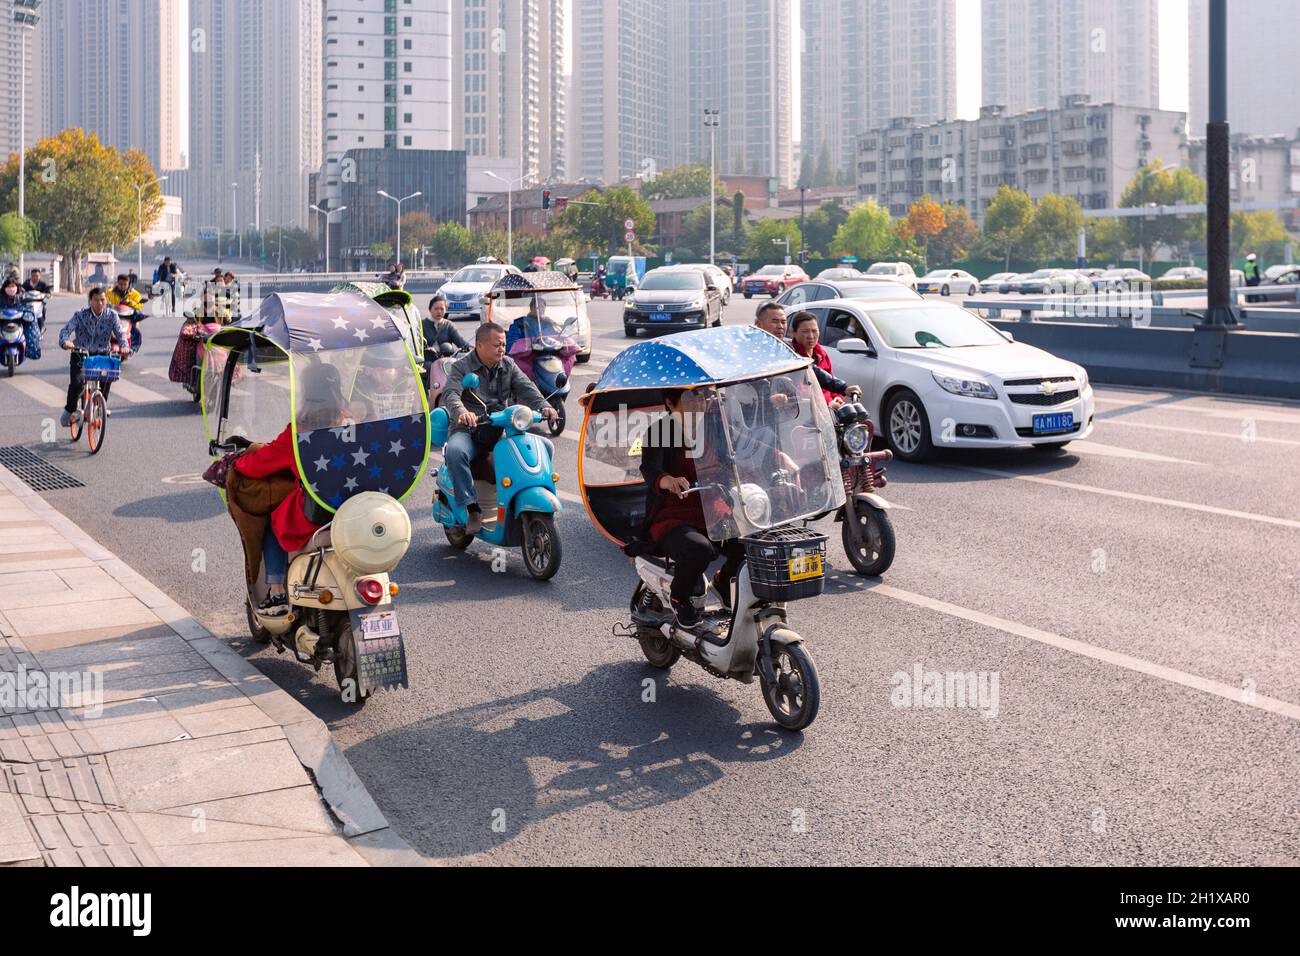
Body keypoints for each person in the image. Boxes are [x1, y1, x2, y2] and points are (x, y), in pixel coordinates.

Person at [231, 363, 351, 616]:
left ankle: (276, 591)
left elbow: (257, 466)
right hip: (355, 508)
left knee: (275, 522)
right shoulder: (353, 422)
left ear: (306, 393)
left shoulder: (299, 432)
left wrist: (237, 461)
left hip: (318, 511)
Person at [639, 387, 745, 633]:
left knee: (749, 543)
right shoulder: (660, 430)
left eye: (702, 395)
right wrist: (669, 481)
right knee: (699, 550)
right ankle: (680, 597)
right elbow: (650, 470)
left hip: (713, 509)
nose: (699, 402)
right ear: (670, 403)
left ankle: (721, 582)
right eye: (690, 396)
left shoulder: (716, 427)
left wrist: (776, 460)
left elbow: (734, 461)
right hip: (673, 514)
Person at [441, 322, 558, 534]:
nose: (502, 349)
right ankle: (472, 508)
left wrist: (545, 407)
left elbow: (527, 387)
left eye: (503, 344)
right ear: (480, 345)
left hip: (499, 428)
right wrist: (462, 413)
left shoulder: (508, 365)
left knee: (546, 446)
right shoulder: (462, 366)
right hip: (470, 429)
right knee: (456, 451)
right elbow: (451, 394)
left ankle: (525, 498)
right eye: (497, 345)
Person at [753, 301, 857, 411]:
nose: (780, 326)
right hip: (759, 419)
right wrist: (767, 399)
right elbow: (746, 389)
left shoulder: (788, 350)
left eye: (783, 322)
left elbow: (811, 370)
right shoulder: (750, 352)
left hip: (788, 415)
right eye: (775, 321)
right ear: (759, 325)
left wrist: (843, 387)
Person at [58, 288, 129, 426]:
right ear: (90, 300)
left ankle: (101, 404)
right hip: (81, 354)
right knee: (77, 384)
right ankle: (69, 410)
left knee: (107, 378)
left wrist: (124, 346)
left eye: (102, 300)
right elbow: (65, 331)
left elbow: (120, 333)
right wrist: (65, 341)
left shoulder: (112, 315)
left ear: (106, 300)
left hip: (102, 354)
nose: (99, 303)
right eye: (96, 300)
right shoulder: (80, 315)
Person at [790, 311, 840, 406]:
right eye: (805, 331)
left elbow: (831, 380)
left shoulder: (822, 354)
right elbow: (803, 394)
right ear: (794, 333)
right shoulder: (793, 358)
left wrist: (836, 397)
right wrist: (828, 404)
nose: (811, 336)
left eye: (814, 331)